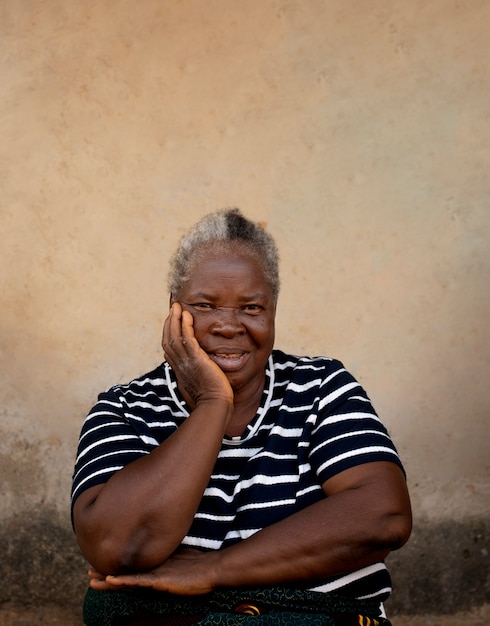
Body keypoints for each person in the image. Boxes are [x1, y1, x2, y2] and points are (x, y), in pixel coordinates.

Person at [71, 208, 412, 626]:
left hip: (311, 617)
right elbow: (116, 547)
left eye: (251, 308)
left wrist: (215, 570)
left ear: (272, 312)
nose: (229, 326)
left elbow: (384, 516)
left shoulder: (322, 386)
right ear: (174, 311)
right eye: (205, 305)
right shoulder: (125, 409)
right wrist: (213, 402)